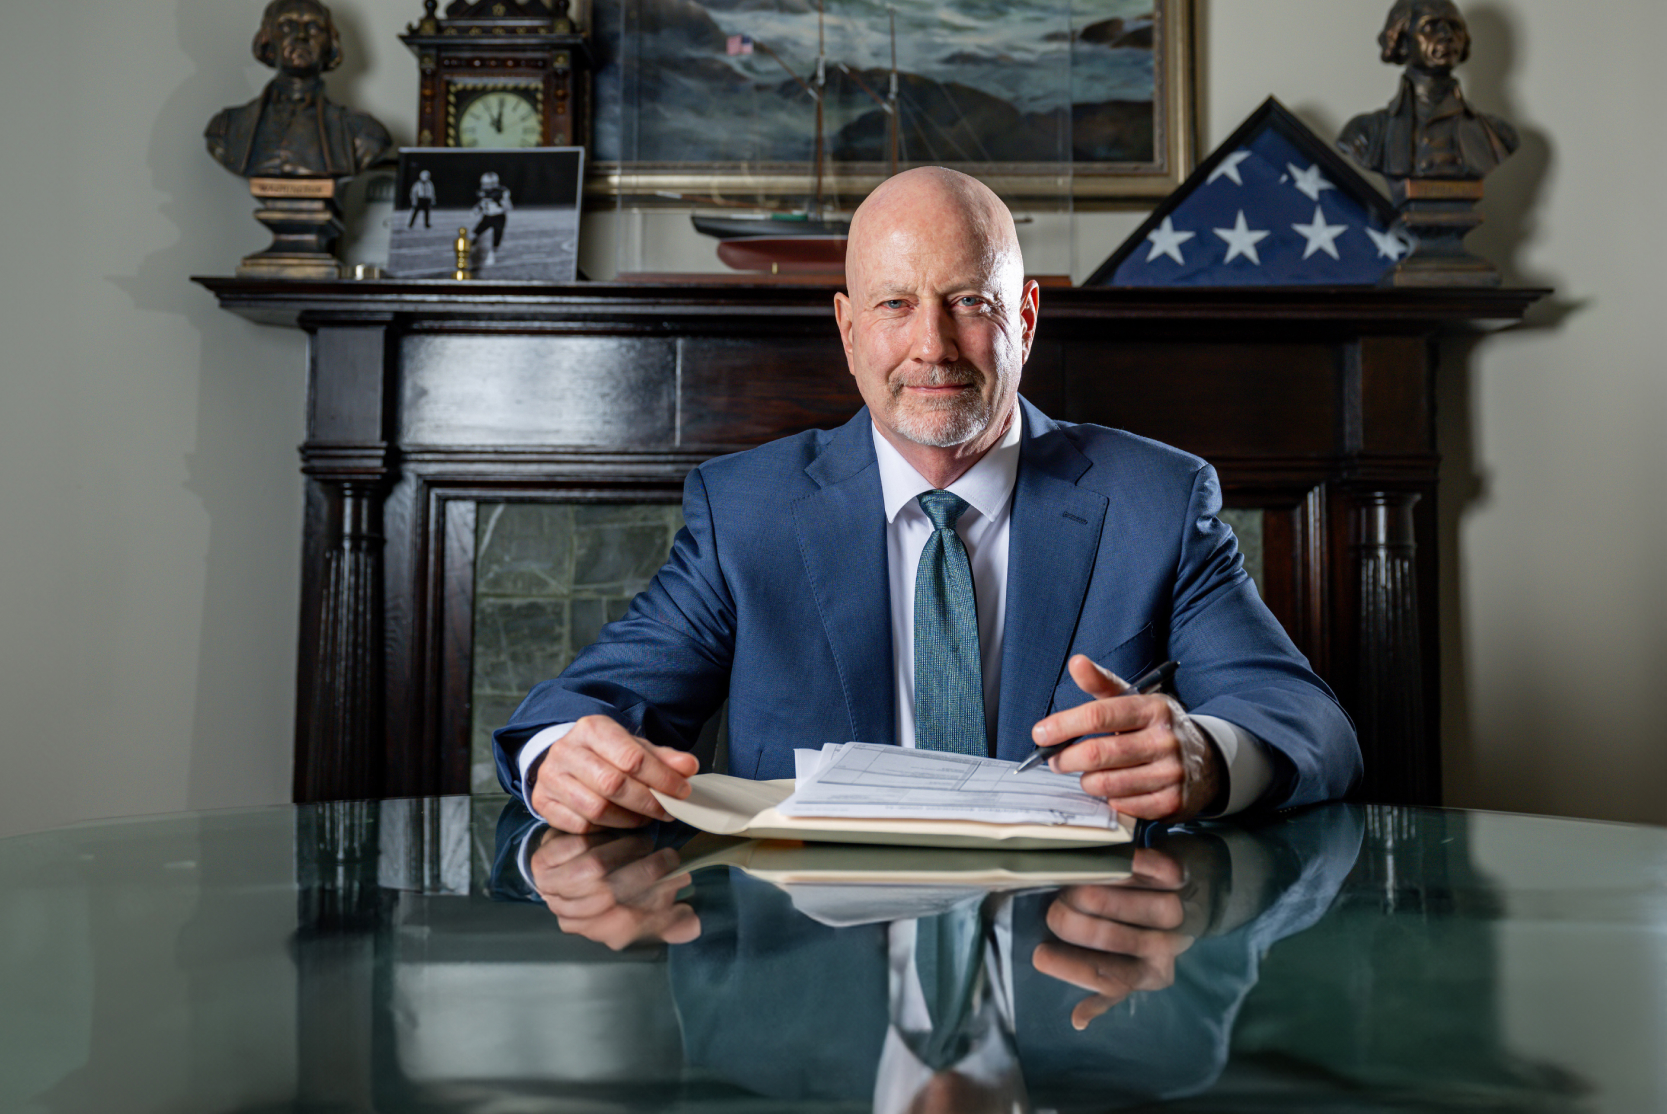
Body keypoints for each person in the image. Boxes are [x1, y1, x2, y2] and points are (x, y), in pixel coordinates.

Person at [494, 166, 1360, 833]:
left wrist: (1206, 756)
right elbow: (584, 708)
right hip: (808, 990)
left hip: (1073, 981)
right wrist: (557, 761)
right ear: (847, 330)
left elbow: (1305, 722)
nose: (932, 345)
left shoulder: (1156, 502)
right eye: (895, 304)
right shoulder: (747, 512)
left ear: (1024, 318)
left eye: (968, 302)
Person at [203, 0, 392, 179]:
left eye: (314, 27)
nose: (301, 36)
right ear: (267, 40)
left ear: (330, 45)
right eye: (287, 26)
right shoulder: (226, 128)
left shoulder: (365, 133)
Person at [1337, 0, 1518, 180]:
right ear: (1401, 42)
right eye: (1430, 26)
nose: (1447, 34)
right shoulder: (1365, 134)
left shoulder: (1497, 134)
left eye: (1455, 26)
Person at [471, 171, 512, 266]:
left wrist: (504, 202)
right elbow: (482, 203)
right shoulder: (482, 192)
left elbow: (509, 207)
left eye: (487, 184)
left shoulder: (501, 192)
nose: (485, 185)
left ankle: (492, 255)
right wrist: (477, 209)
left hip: (498, 218)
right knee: (473, 234)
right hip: (487, 217)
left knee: (496, 239)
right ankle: (472, 252)